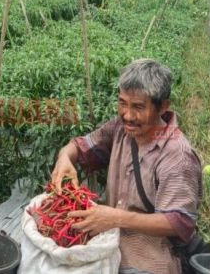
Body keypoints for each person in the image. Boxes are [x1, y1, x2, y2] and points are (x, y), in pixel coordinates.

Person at [51, 59, 202, 274]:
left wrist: (115, 218)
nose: (128, 116)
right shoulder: (119, 129)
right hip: (107, 244)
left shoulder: (177, 156)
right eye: (123, 103)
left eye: (138, 107)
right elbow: (79, 146)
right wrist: (64, 158)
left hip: (149, 258)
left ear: (163, 106)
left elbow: (179, 223)